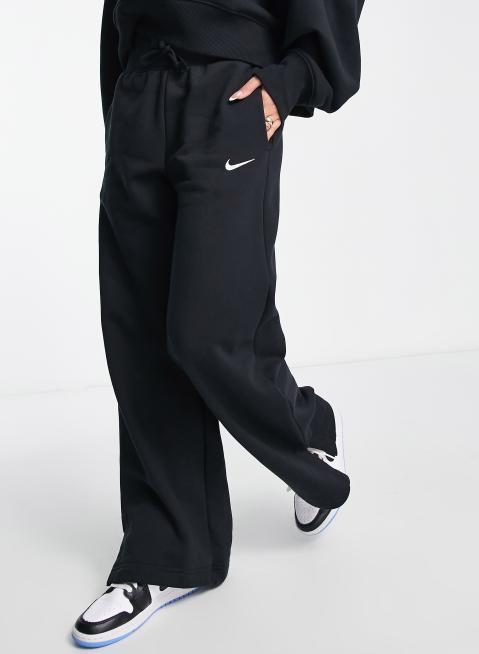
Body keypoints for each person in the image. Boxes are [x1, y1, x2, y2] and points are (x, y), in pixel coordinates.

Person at [72, 0, 365, 647]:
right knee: (140, 333)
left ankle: (309, 432)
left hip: (232, 91)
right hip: (141, 83)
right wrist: (123, 98)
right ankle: (169, 553)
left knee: (209, 332)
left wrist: (292, 79)